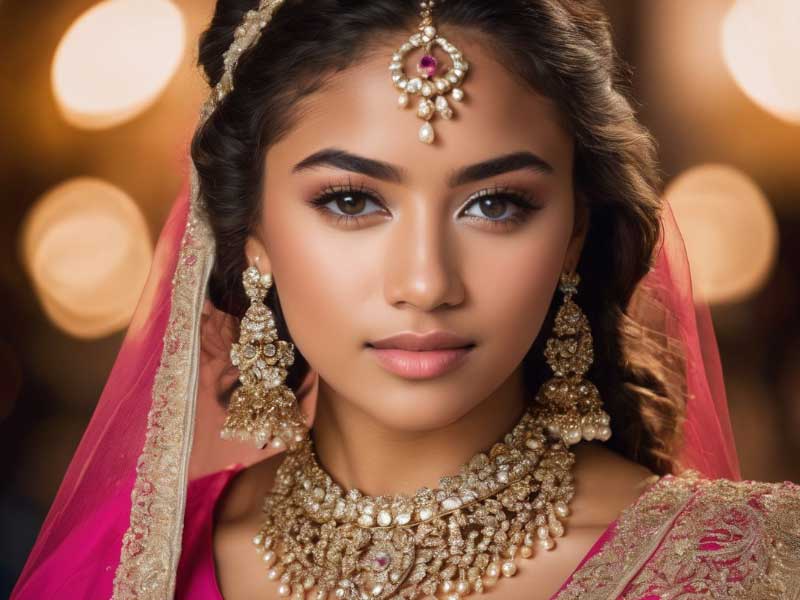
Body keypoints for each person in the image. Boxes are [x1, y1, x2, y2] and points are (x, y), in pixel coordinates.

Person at [11, 0, 800, 598]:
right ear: (249, 229)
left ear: (572, 235)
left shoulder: (749, 565)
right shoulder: (126, 567)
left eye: (495, 204)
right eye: (352, 202)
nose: (426, 283)